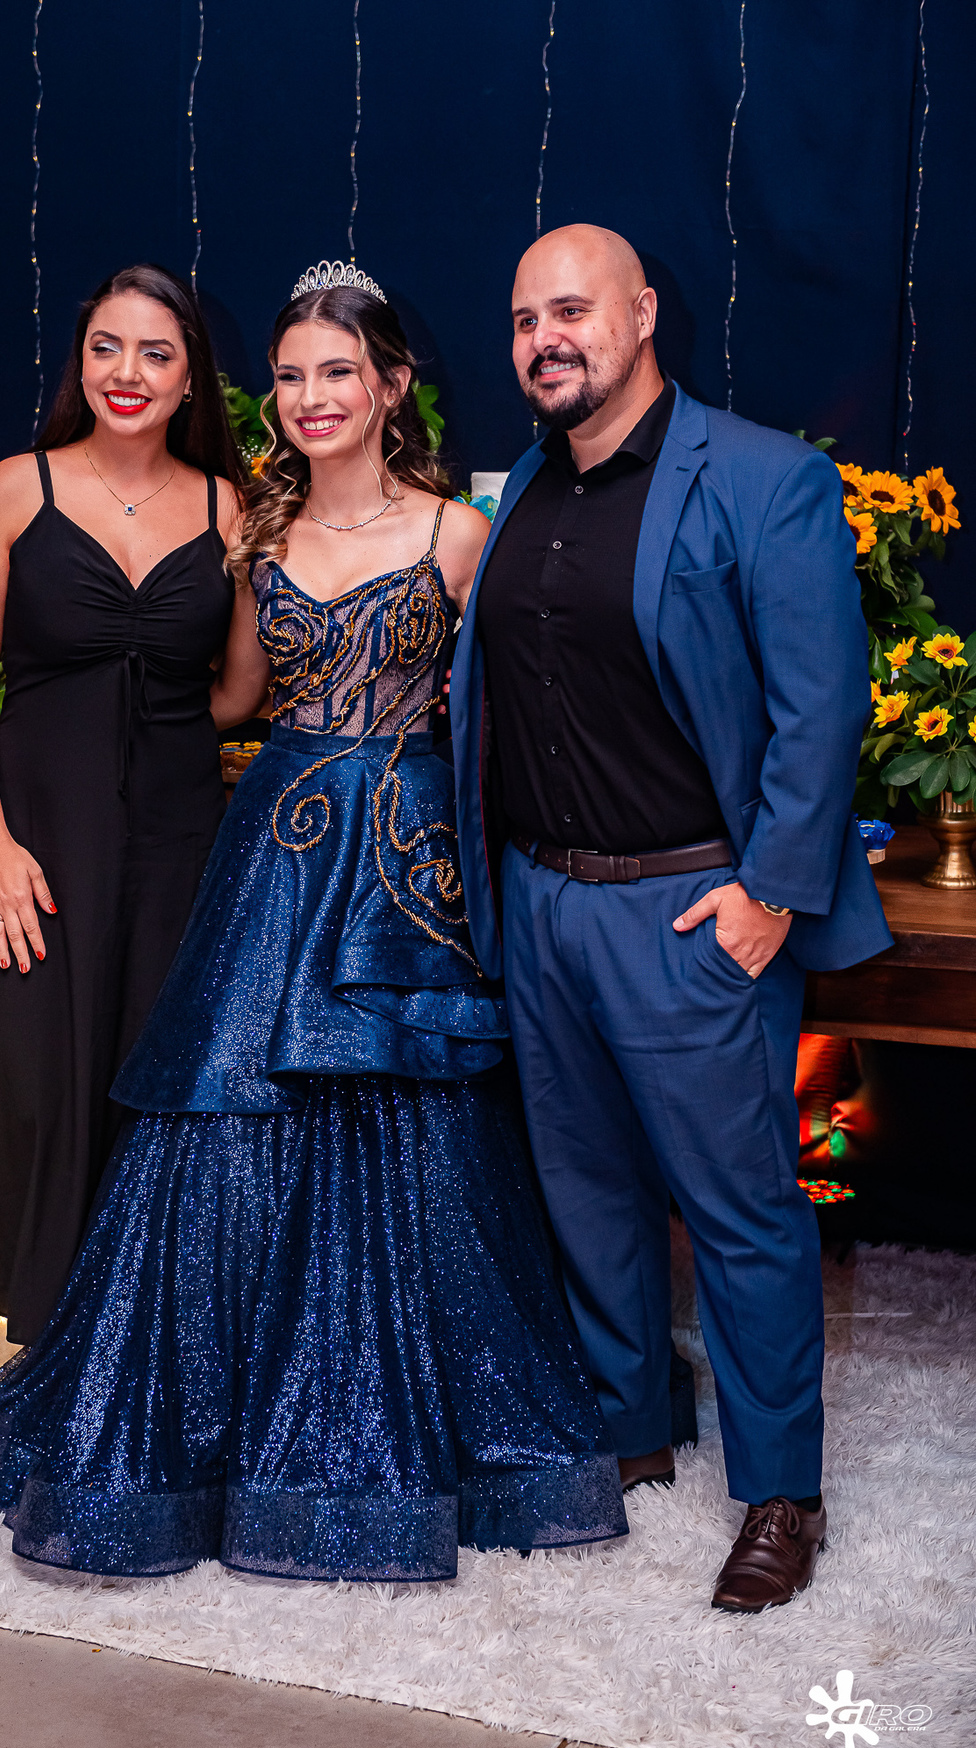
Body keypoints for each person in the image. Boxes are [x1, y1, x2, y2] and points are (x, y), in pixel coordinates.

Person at [0, 262, 627, 1581]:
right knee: (225, 1107)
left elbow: (516, 702)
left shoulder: (461, 534)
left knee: (414, 1115)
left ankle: (402, 1412)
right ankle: (221, 1402)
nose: (313, 396)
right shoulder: (256, 540)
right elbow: (232, 699)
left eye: (338, 372)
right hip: (277, 840)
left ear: (392, 386)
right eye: (294, 375)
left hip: (409, 852)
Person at [449, 224, 893, 1613]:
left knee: (741, 1209)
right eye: (523, 319)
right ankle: (632, 1418)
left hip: (693, 909)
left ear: (643, 315)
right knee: (585, 1190)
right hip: (545, 903)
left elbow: (822, 706)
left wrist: (771, 893)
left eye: (571, 310)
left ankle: (781, 1490)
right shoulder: (525, 483)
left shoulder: (762, 476)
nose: (544, 339)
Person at [0, 264, 245, 1345]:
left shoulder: (228, 507)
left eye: (156, 353)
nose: (128, 372)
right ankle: (46, 1340)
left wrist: (161, 730)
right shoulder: (15, 488)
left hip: (176, 842)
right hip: (40, 838)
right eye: (107, 347)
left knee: (152, 1082)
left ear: (190, 379)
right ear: (81, 363)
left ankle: (138, 1349)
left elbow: (239, 692)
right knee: (36, 1081)